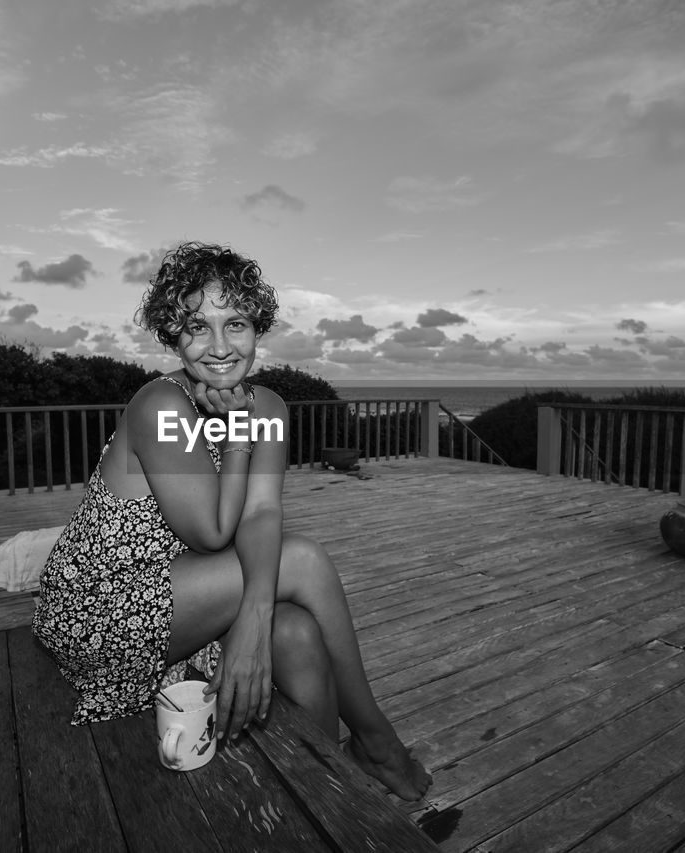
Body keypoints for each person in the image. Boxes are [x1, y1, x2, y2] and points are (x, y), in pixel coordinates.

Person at [32, 241, 431, 800]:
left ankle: (324, 797)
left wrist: (255, 619)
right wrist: (238, 439)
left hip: (187, 591)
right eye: (197, 327)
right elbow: (215, 531)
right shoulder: (162, 407)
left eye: (235, 323)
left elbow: (263, 512)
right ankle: (379, 744)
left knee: (295, 633)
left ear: (257, 327)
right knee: (306, 561)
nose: (219, 347)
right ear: (173, 334)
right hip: (103, 605)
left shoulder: (269, 407)